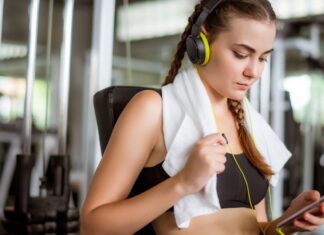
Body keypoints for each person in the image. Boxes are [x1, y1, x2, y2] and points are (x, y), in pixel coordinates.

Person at [81, 0, 324, 234]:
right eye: (241, 54)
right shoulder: (153, 110)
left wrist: (286, 224)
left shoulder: (251, 125)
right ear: (202, 44)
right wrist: (183, 182)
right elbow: (93, 227)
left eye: (262, 58)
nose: (254, 72)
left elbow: (258, 227)